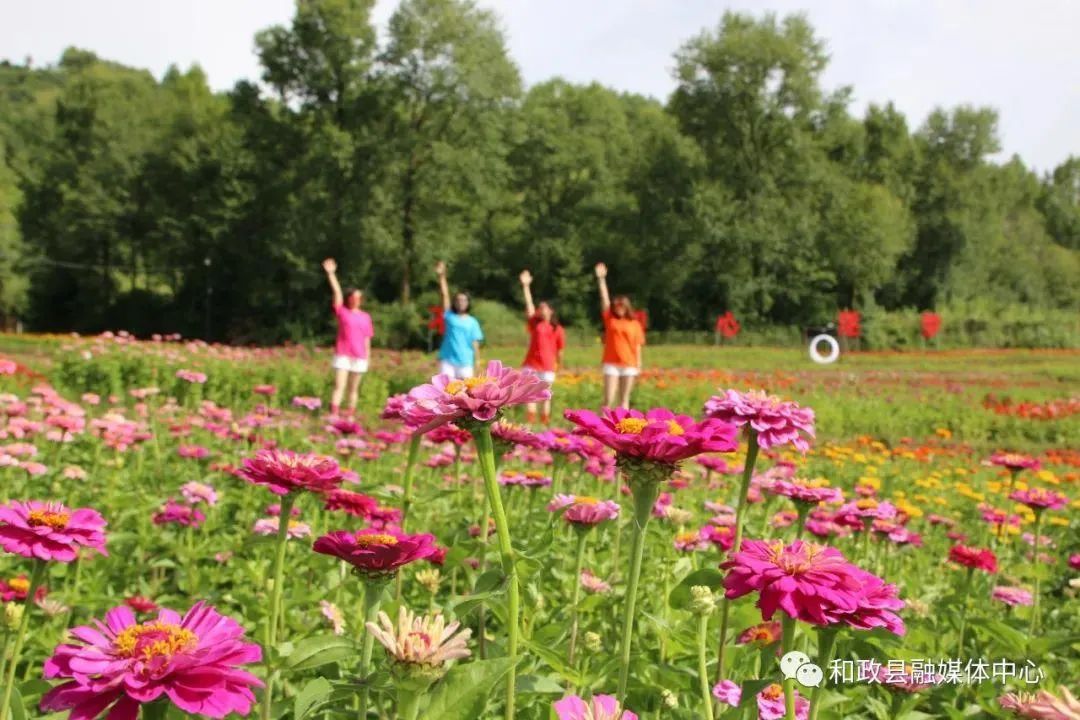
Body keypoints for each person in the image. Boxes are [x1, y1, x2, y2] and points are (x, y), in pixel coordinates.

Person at [323, 258, 374, 416]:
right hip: (343, 354)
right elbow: (337, 293)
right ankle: (334, 414)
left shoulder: (366, 316)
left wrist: (368, 357)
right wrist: (331, 274)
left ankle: (350, 416)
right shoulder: (343, 312)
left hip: (360, 356)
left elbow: (367, 339)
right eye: (355, 296)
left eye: (359, 297)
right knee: (339, 385)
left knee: (353, 388)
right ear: (349, 298)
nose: (357, 299)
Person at [595, 262, 644, 409]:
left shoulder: (635, 324)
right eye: (616, 306)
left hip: (629, 364)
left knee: (624, 400)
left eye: (622, 306)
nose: (619, 308)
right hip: (611, 362)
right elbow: (605, 299)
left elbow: (637, 345)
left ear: (627, 307)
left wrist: (639, 365)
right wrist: (601, 279)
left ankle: (622, 430)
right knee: (608, 399)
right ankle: (601, 428)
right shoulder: (610, 319)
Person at [518, 269, 565, 425]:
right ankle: (530, 423)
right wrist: (526, 286)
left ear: (551, 311)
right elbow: (530, 306)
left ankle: (545, 423)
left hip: (548, 366)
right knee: (530, 394)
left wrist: (560, 366)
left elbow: (560, 350)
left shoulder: (557, 328)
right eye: (541, 307)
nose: (541, 309)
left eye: (544, 307)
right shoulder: (535, 323)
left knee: (546, 395)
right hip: (532, 363)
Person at [435, 260, 484, 379]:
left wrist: (477, 361)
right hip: (448, 360)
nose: (461, 302)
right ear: (454, 302)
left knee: (466, 393)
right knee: (445, 390)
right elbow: (444, 295)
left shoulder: (473, 322)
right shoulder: (449, 316)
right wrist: (442, 276)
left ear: (468, 303)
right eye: (458, 300)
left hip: (466, 361)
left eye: (463, 300)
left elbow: (475, 343)